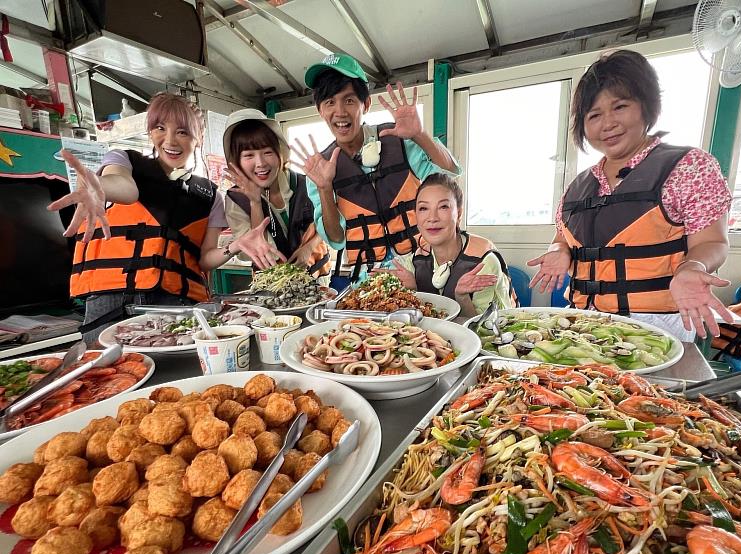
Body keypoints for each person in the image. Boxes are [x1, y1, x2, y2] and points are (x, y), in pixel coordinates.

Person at [528, 49, 735, 341]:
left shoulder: (689, 166)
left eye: (620, 107)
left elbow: (713, 241)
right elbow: (561, 240)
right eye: (594, 115)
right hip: (584, 324)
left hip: (658, 328)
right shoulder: (577, 185)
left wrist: (692, 268)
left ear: (646, 106)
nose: (607, 123)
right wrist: (557, 253)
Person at [48, 92, 274, 343]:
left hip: (173, 302)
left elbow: (206, 259)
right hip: (110, 299)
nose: (170, 140)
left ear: (197, 139)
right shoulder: (124, 160)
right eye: (160, 128)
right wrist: (98, 185)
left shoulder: (210, 195)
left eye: (182, 132)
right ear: (150, 133)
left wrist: (234, 246)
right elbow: (125, 187)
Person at [291, 53, 461, 282]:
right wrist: (324, 187)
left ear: (366, 104)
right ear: (321, 111)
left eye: (349, 100)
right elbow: (336, 239)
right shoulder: (320, 168)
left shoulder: (398, 138)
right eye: (330, 102)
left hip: (424, 265)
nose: (340, 111)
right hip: (368, 277)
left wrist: (419, 135)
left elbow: (449, 174)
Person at [381, 174, 517, 317]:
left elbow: (488, 329)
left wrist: (462, 298)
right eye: (423, 208)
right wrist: (411, 291)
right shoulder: (415, 261)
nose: (432, 218)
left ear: (458, 213)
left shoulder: (484, 262)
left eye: (443, 207)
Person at [221, 109, 330, 280]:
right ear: (237, 161)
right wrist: (255, 202)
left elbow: (326, 224)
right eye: (249, 155)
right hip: (271, 285)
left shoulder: (306, 183)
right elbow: (262, 250)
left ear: (280, 152)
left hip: (316, 277)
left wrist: (308, 248)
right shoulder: (235, 199)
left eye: (267, 152)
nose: (261, 163)